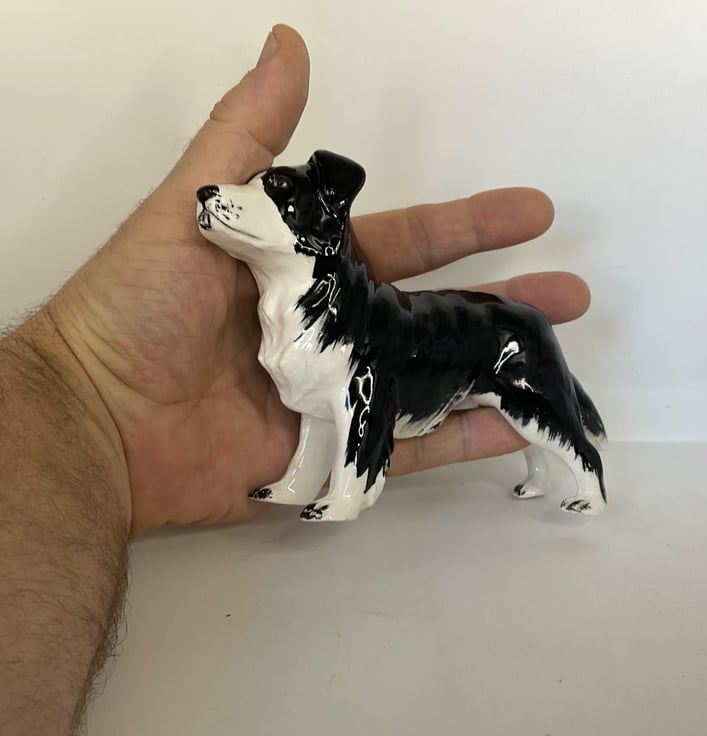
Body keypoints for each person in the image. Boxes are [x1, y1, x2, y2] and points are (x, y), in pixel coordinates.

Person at [0, 25, 590, 736]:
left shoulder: (361, 313)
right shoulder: (284, 315)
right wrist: (87, 380)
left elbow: (361, 407)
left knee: (531, 407)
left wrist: (351, 490)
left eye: (270, 195)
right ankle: (307, 481)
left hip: (489, 341)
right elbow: (319, 406)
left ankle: (579, 474)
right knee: (327, 406)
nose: (227, 196)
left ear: (320, 220)